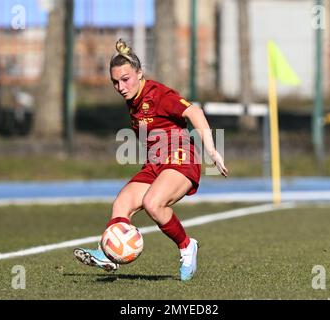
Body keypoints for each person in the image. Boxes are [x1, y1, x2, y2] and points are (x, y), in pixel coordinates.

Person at [74, 39, 228, 281]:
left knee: (153, 203)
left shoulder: (158, 94)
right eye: (115, 82)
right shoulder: (133, 100)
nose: (120, 86)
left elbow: (194, 112)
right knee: (121, 203)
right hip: (155, 164)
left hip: (181, 159)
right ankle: (108, 254)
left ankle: (187, 246)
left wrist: (211, 149)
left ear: (140, 74)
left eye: (125, 79)